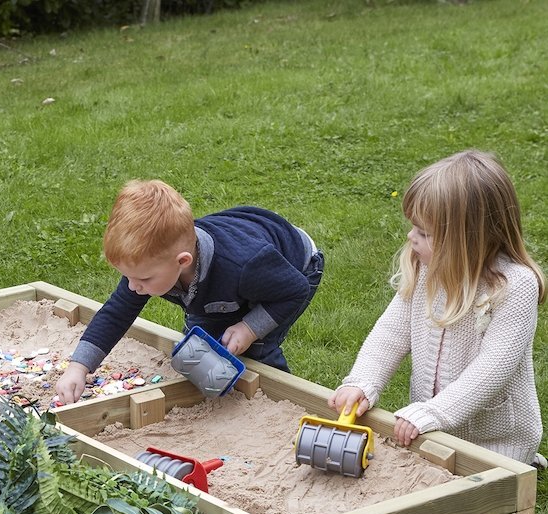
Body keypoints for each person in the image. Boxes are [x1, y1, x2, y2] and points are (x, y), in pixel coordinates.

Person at [330, 149, 545, 467]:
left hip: (496, 443)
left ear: (467, 239)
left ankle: (526, 463)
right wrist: (364, 380)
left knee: (476, 494)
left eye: (424, 233)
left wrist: (434, 411)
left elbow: (493, 368)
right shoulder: (426, 270)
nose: (410, 237)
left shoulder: (515, 286)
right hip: (432, 432)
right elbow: (391, 333)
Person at [54, 179, 324, 405]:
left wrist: (249, 329)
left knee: (256, 347)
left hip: (292, 268)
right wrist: (79, 366)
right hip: (226, 275)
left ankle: (277, 402)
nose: (133, 286)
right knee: (204, 341)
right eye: (127, 277)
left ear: (182, 261)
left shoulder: (244, 265)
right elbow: (115, 314)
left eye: (143, 279)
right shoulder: (152, 266)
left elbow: (293, 291)